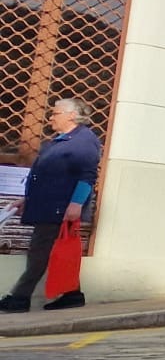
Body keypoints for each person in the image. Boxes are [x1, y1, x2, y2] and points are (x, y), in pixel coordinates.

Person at [2, 98, 101, 313]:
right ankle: (73, 295)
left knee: (39, 252)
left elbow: (88, 176)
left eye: (55, 114)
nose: (50, 118)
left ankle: (19, 298)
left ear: (71, 116)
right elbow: (50, 178)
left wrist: (76, 204)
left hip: (59, 209)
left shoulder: (83, 141)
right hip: (50, 206)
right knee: (54, 253)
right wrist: (27, 201)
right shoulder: (62, 140)